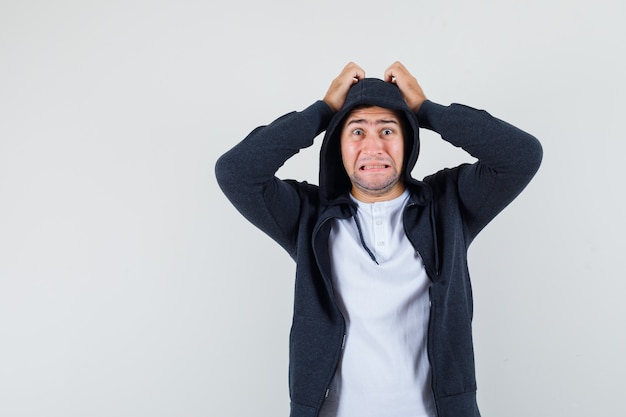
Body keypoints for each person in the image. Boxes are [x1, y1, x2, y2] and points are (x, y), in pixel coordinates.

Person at [215, 61, 543, 417]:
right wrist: (323, 110)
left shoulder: (449, 205)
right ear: (337, 147)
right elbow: (236, 171)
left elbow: (521, 155)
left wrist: (425, 109)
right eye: (356, 132)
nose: (373, 147)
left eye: (388, 131)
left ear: (408, 141)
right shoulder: (309, 215)